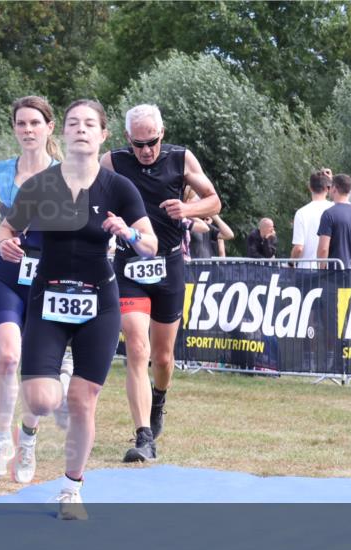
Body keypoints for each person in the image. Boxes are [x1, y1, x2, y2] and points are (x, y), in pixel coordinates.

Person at [3, 99, 155, 518]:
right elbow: (7, 227)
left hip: (99, 303)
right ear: (62, 133)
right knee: (42, 398)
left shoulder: (119, 188)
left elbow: (150, 243)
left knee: (83, 400)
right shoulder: (40, 185)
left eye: (90, 124)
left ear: (103, 134)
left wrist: (127, 232)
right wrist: (5, 241)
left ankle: (72, 489)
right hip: (47, 297)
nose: (82, 130)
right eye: (73, 123)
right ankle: (29, 431)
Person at [100, 103, 221, 462]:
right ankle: (143, 437)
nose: (146, 150)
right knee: (137, 348)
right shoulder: (113, 162)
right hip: (129, 264)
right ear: (128, 139)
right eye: (138, 144)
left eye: (152, 141)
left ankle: (159, 399)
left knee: (163, 357)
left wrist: (188, 210)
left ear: (162, 134)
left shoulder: (180, 159)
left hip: (168, 262)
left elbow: (215, 200)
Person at [0, 95, 65, 482]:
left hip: (48, 279)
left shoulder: (65, 173)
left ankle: (27, 442)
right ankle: (1, 440)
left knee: (39, 376)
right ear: (14, 128)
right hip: (6, 274)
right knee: (9, 356)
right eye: (21, 123)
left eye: (34, 123)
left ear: (49, 127)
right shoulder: (1, 169)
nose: (27, 130)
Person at [290, 170, 333, 268]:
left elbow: (298, 248)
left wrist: (291, 263)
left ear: (310, 187)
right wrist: (331, 180)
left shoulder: (301, 213)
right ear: (327, 188)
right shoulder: (334, 209)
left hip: (306, 268)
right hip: (330, 268)